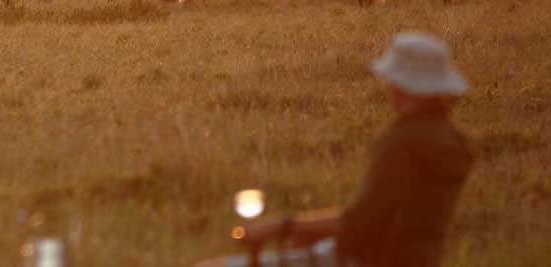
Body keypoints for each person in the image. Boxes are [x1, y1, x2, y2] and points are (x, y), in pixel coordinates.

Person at [198, 32, 475, 267]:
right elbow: (387, 215)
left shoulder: (403, 141)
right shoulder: (454, 141)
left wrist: (282, 225)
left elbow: (358, 223)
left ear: (401, 86)